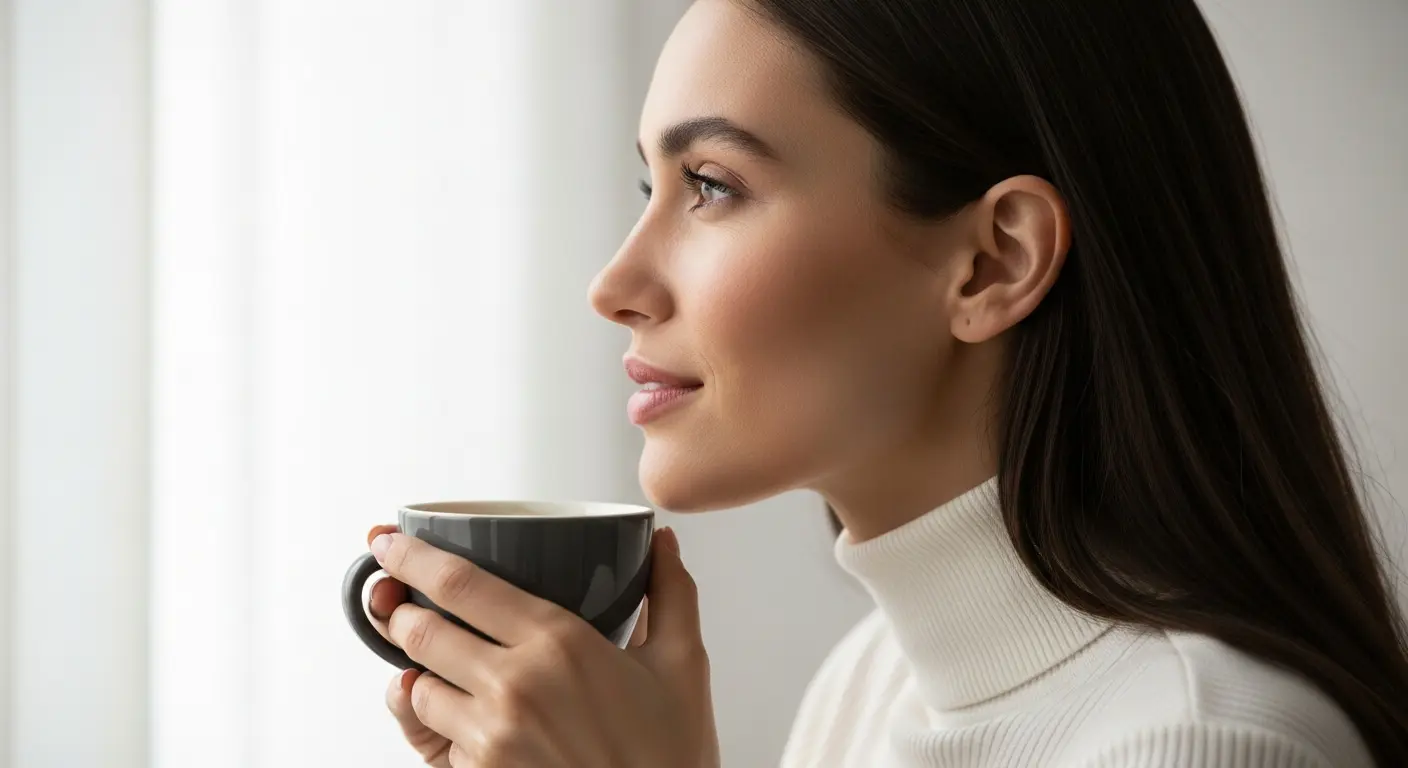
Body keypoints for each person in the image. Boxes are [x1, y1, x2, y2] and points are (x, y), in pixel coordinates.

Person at [359, 0, 1408, 765]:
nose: (615, 284)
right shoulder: (872, 686)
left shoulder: (1199, 742)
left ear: (994, 262)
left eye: (711, 187)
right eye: (652, 185)